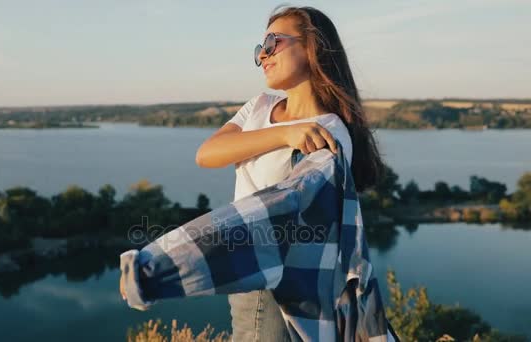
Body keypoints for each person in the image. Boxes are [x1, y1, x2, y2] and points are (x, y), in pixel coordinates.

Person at [120, 5, 386, 341]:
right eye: (261, 48)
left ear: (311, 47)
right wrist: (284, 134)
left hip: (275, 280)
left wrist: (152, 269)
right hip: (248, 270)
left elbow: (281, 209)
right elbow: (207, 154)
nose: (263, 55)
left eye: (273, 42)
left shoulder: (328, 133)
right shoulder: (260, 106)